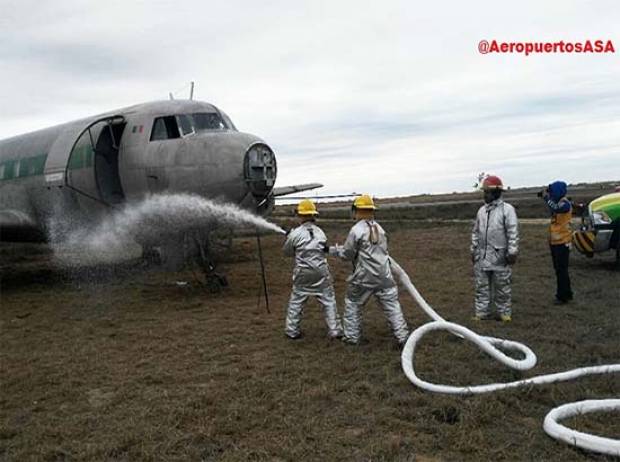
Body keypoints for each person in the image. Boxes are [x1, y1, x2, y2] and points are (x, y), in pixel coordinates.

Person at [332, 194, 409, 346]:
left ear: (357, 210)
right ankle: (403, 336)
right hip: (384, 276)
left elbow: (348, 254)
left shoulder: (356, 230)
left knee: (353, 303)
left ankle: (352, 337)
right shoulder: (380, 229)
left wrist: (336, 251)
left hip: (363, 278)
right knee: (392, 307)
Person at [283, 199, 342, 339]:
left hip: (302, 274)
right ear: (313, 215)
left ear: (300, 215)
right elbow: (324, 248)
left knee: (297, 301)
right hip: (321, 273)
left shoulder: (295, 234)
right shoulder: (320, 232)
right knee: (328, 300)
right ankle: (335, 330)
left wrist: (290, 236)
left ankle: (292, 331)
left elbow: (287, 252)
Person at [471, 175, 519, 322]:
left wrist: (512, 252)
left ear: (496, 193)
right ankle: (481, 313)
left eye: (487, 192)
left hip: (500, 257)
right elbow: (476, 231)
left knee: (502, 287)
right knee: (481, 287)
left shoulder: (507, 210)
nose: (485, 195)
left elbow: (513, 232)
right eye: (484, 192)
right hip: (482, 257)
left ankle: (504, 314)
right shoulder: (481, 211)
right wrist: (473, 250)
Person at [542, 180, 573, 304]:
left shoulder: (565, 204)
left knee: (561, 270)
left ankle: (562, 296)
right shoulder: (559, 202)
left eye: (552, 191)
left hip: (562, 241)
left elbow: (555, 208)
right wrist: (549, 198)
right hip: (556, 241)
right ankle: (567, 293)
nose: (551, 193)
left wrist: (546, 199)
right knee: (559, 270)